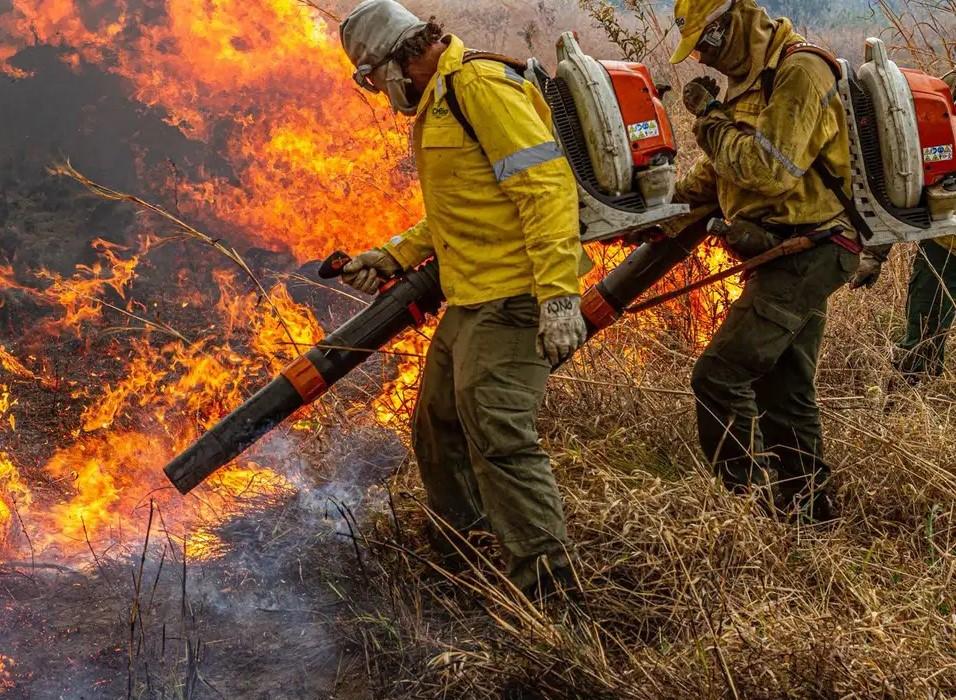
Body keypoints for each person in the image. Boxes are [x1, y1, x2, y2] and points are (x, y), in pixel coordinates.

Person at [337, 0, 589, 597]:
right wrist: (393, 254)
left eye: (374, 81)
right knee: (437, 425)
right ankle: (466, 562)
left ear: (396, 62)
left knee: (497, 433)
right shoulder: (441, 100)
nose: (381, 94)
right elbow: (464, 210)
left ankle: (554, 600)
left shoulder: (478, 86)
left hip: (515, 294)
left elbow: (547, 190)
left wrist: (558, 299)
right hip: (473, 295)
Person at [670, 0, 862, 521]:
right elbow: (726, 173)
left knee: (719, 375)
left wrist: (709, 121)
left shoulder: (799, 70)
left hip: (810, 250)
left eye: (707, 44)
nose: (704, 60)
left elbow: (768, 169)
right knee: (785, 386)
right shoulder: (751, 78)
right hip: (785, 250)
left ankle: (745, 513)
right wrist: (666, 202)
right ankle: (810, 513)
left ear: (734, 23)